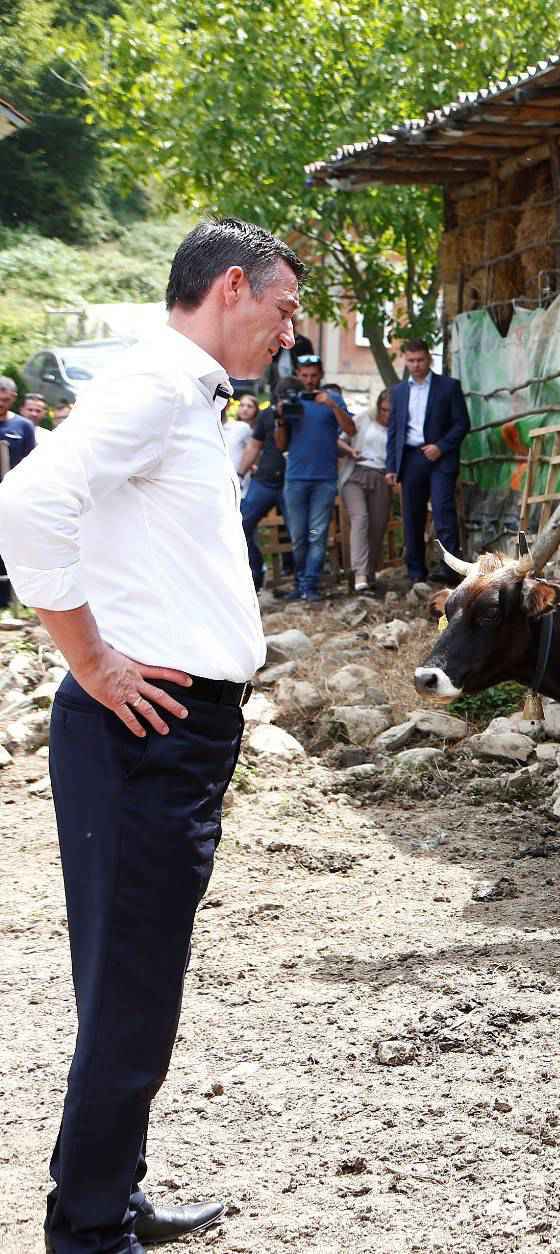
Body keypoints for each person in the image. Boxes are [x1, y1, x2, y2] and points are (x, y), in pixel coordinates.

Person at [0, 217, 303, 1254]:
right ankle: (86, 1232)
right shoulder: (158, 386)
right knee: (132, 992)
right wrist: (88, 658)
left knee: (129, 983)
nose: (289, 329)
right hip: (144, 732)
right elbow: (31, 500)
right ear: (231, 288)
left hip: (170, 731)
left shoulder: (182, 394)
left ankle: (109, 1192)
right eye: (284, 306)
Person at [384, 339, 468, 584]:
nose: (416, 365)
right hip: (410, 458)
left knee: (443, 511)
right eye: (411, 361)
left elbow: (462, 423)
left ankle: (450, 569)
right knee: (412, 516)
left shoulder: (448, 386)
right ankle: (415, 572)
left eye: (420, 360)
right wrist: (391, 466)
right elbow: (393, 430)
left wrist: (441, 447)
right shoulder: (398, 392)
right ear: (405, 361)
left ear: (429, 359)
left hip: (440, 458)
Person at [272, 352, 352, 601]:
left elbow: (351, 429)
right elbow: (281, 445)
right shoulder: (292, 400)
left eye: (313, 376)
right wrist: (280, 419)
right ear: (298, 375)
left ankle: (310, 586)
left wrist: (331, 405)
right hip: (295, 477)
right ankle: (299, 585)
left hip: (324, 478)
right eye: (304, 376)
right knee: (298, 536)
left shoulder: (333, 398)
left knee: (318, 535)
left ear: (321, 376)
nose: (309, 380)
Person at [338, 389, 392, 593]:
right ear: (378, 407)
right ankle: (359, 574)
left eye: (392, 411)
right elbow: (340, 439)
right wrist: (351, 451)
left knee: (378, 526)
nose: (387, 415)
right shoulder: (363, 418)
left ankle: (369, 574)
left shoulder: (398, 426)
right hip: (356, 473)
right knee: (360, 519)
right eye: (384, 410)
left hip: (381, 475)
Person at [239, 395, 292, 594]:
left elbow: (283, 445)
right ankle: (254, 573)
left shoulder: (304, 412)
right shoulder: (267, 415)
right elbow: (254, 445)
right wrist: (240, 473)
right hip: (264, 480)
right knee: (241, 525)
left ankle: (299, 580)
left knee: (296, 532)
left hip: (292, 481)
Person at [0, 376, 32, 611]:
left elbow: (31, 461)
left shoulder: (22, 427)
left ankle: (9, 600)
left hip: (11, 495)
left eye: (5, 400)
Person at [224, 392, 257, 491]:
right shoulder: (229, 427)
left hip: (246, 478)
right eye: (242, 405)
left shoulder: (257, 432)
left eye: (249, 406)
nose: (245, 409)